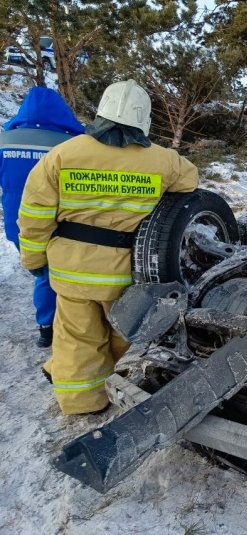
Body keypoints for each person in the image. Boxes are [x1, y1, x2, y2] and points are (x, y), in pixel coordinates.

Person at [18, 80, 199, 415]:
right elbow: (191, 182)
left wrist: (33, 258)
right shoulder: (163, 161)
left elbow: (33, 216)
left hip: (70, 271)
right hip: (125, 271)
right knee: (123, 333)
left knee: (77, 340)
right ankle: (122, 391)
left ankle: (82, 402)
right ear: (143, 119)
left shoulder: (62, 155)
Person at [0, 87, 84, 348]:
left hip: (18, 222)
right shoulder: (70, 144)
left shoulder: (5, 140)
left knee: (42, 272)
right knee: (52, 274)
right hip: (56, 220)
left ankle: (48, 325)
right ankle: (54, 328)